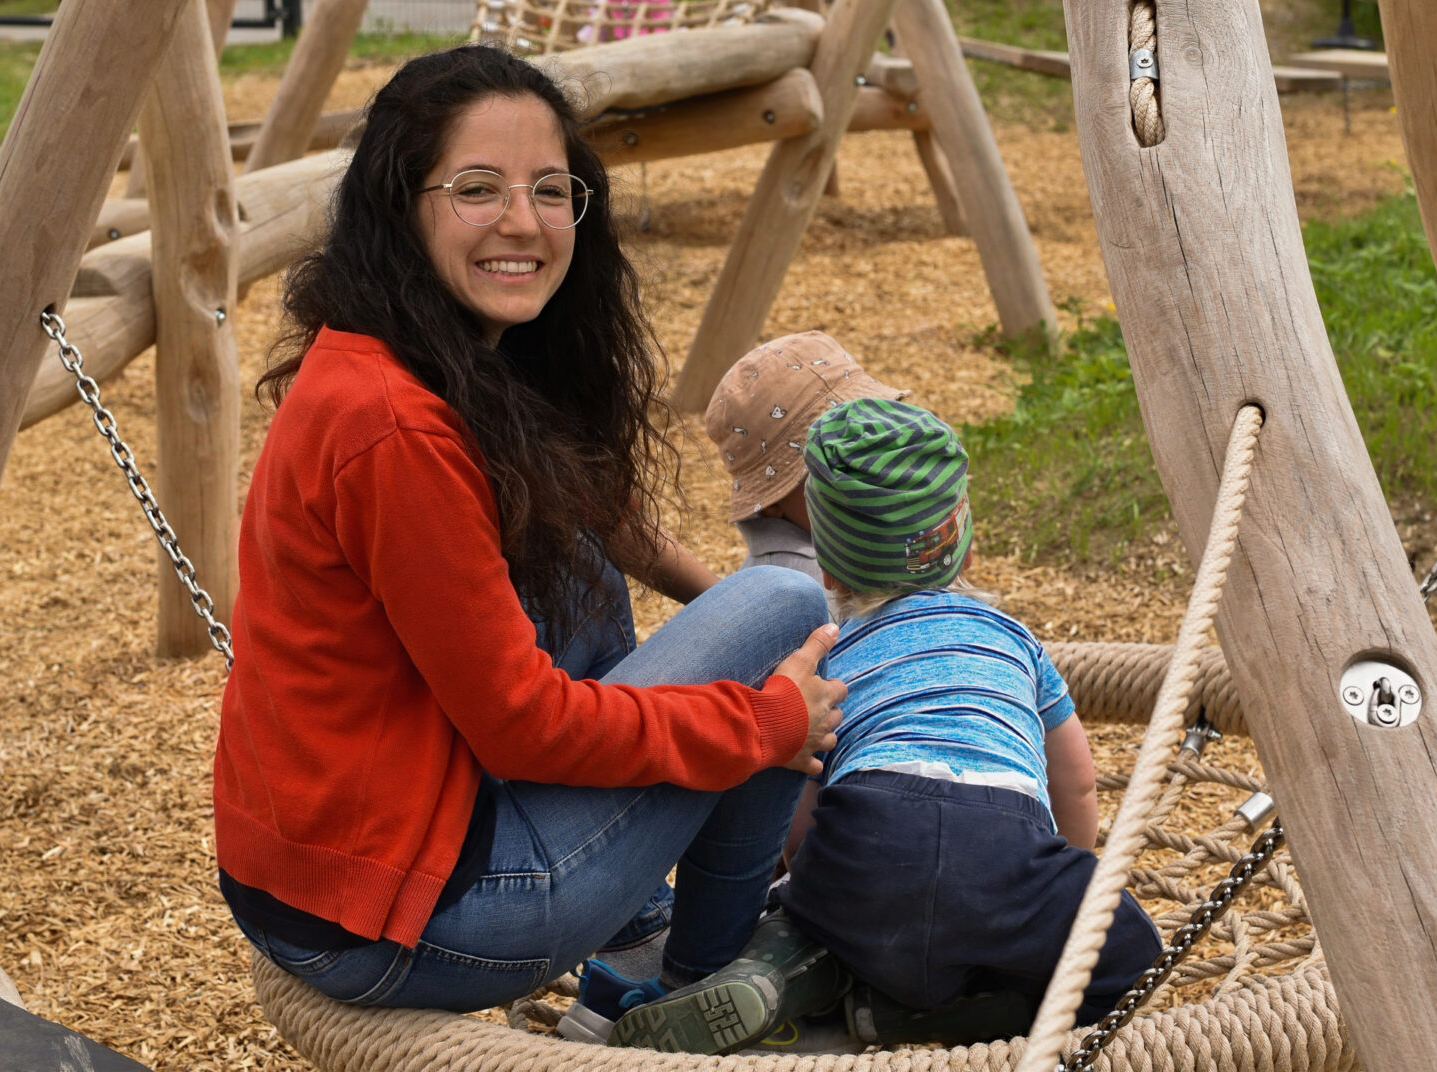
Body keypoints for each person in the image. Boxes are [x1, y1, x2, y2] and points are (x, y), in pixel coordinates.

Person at [213, 43, 847, 1019]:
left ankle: (639, 935)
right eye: (477, 187)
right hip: (406, 921)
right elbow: (522, 723)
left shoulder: (402, 353)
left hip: (337, 869)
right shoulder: (395, 427)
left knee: (603, 555)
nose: (522, 220)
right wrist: (769, 719)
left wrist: (716, 607)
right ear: (400, 203)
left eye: (550, 190)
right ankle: (696, 987)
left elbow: (601, 519)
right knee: (791, 599)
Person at [610, 398, 1162, 1055]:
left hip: (866, 841)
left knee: (801, 923)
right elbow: (1077, 781)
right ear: (964, 538)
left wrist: (807, 877)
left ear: (829, 568)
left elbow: (804, 791)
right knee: (1134, 952)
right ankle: (975, 1012)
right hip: (1002, 856)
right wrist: (1064, 877)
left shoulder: (828, 655)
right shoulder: (1013, 640)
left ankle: (779, 970)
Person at [704, 331, 908, 583]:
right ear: (771, 503)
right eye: (831, 459)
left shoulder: (848, 545)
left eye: (871, 437)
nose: (863, 464)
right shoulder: (810, 587)